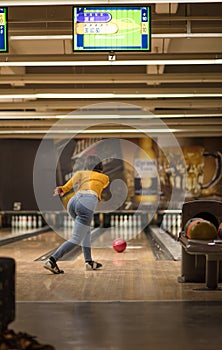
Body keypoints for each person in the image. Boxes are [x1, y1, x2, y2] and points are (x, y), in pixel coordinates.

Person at [44, 155, 109, 274]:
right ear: (100, 167)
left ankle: (89, 262)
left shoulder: (81, 173)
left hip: (73, 202)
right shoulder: (105, 177)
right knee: (76, 238)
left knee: (86, 231)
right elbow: (102, 185)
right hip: (86, 204)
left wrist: (62, 189)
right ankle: (52, 260)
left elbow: (69, 184)